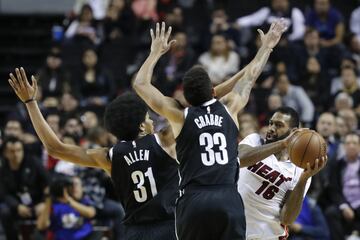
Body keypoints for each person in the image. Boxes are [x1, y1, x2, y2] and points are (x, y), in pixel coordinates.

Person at [133, 20, 288, 239]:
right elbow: (251, 75)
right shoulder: (230, 107)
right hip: (227, 197)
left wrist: (155, 53)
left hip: (193, 200)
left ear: (185, 97)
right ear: (213, 91)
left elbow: (140, 85)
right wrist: (267, 47)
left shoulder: (179, 115)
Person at [8, 68, 179, 240]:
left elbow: (55, 148)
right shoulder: (163, 141)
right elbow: (178, 112)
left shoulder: (108, 156)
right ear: (142, 126)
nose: (152, 121)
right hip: (170, 227)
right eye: (149, 118)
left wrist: (30, 102)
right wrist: (155, 53)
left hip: (135, 233)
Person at [237, 107, 326, 239]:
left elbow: (287, 219)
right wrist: (283, 143)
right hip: (232, 225)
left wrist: (303, 180)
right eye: (271, 123)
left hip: (266, 235)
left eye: (278, 125)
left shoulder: (300, 171)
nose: (271, 128)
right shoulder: (254, 141)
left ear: (293, 132)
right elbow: (241, 159)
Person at [0, 136, 49, 240]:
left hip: (38, 202)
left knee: (49, 209)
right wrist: (17, 206)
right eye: (11, 151)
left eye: (19, 150)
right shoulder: (3, 170)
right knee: (4, 211)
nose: (16, 154)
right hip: (17, 206)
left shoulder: (34, 163)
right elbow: (4, 194)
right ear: (5, 153)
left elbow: (48, 184)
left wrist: (45, 202)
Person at [37, 175, 100, 240]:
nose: (74, 187)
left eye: (76, 184)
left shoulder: (85, 201)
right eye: (71, 184)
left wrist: (69, 201)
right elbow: (41, 226)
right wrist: (48, 199)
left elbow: (91, 213)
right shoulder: (56, 206)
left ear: (82, 188)